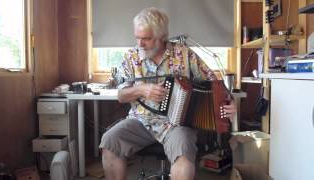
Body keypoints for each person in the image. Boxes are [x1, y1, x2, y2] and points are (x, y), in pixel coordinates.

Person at [99, 7, 237, 180]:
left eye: (146, 39)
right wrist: (142, 90)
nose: (140, 44)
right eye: (137, 38)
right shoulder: (132, 57)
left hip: (177, 124)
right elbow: (121, 95)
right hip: (140, 120)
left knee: (184, 156)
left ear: (162, 37)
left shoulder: (184, 55)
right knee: (109, 141)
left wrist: (229, 101)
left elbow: (214, 84)